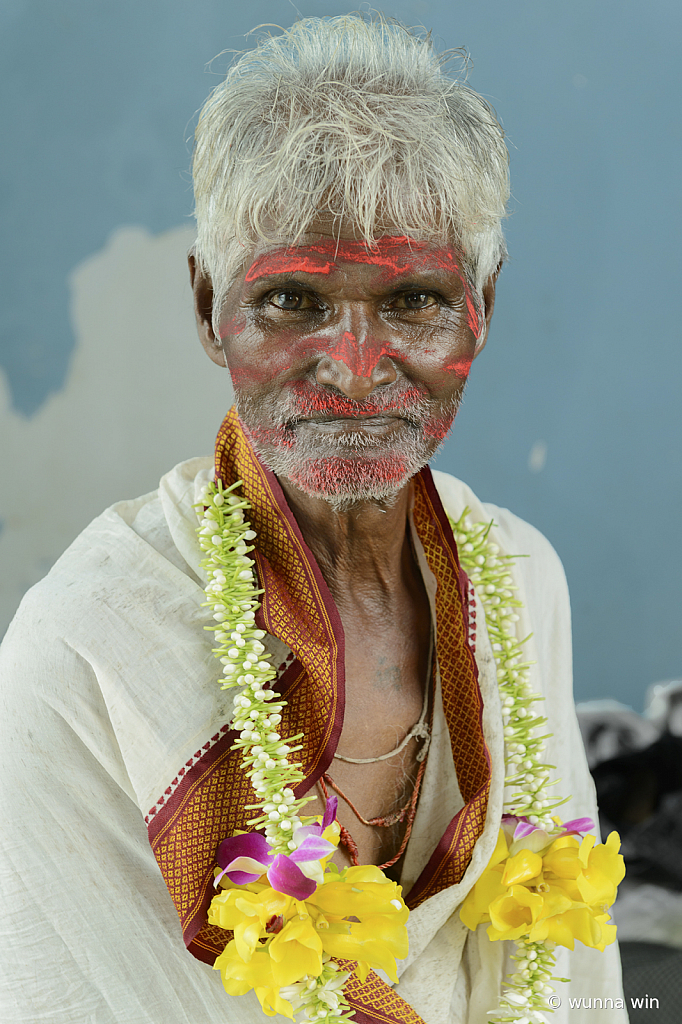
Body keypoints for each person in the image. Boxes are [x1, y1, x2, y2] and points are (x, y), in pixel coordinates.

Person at [0, 15, 626, 1024]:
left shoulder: (518, 577)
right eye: (290, 298)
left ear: (483, 308)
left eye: (415, 298)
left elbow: (569, 988)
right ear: (209, 308)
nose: (354, 365)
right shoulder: (87, 645)